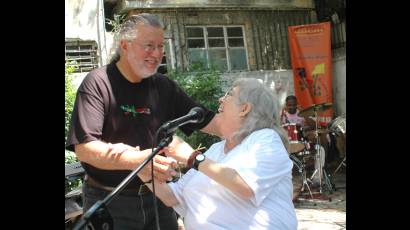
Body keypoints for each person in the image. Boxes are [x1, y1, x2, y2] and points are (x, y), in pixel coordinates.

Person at [65, 13, 219, 230]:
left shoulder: (163, 86)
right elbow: (85, 149)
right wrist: (137, 159)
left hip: (159, 199)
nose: (157, 54)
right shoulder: (98, 83)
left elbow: (211, 122)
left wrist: (254, 125)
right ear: (125, 46)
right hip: (111, 202)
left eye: (160, 46)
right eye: (149, 46)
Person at [138, 78, 298, 230]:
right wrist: (139, 164)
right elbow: (172, 197)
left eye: (229, 94)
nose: (221, 99)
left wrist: (192, 157)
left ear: (245, 109)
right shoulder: (216, 149)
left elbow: (245, 185)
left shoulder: (266, 139)